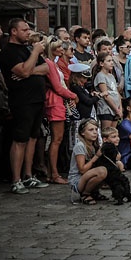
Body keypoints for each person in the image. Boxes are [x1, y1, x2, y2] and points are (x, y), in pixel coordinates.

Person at [0, 19, 51, 194]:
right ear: (14, 31)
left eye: (29, 29)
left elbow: (46, 68)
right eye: (24, 29)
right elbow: (22, 71)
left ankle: (28, 175)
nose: (28, 32)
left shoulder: (28, 49)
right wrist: (34, 55)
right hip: (22, 101)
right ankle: (16, 179)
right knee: (20, 139)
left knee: (33, 138)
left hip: (37, 99)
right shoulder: (8, 52)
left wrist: (29, 70)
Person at [43, 39, 77, 184]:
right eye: (58, 48)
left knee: (57, 139)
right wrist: (73, 95)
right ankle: (54, 174)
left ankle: (52, 172)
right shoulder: (50, 63)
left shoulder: (53, 63)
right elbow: (57, 87)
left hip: (58, 101)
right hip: (54, 102)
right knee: (56, 140)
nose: (62, 50)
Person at [68, 118, 108, 205]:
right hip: (77, 180)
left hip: (88, 175)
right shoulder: (80, 146)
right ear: (82, 133)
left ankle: (94, 192)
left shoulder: (94, 145)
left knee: (113, 167)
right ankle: (85, 194)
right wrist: (96, 156)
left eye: (96, 130)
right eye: (91, 130)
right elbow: (82, 169)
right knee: (102, 171)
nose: (95, 132)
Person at [94, 52, 122, 130]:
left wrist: (120, 108)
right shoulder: (100, 76)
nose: (111, 63)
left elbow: (117, 93)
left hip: (116, 109)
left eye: (112, 60)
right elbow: (106, 95)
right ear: (101, 63)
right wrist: (116, 110)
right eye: (109, 61)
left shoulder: (111, 76)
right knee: (106, 132)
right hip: (107, 109)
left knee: (113, 132)